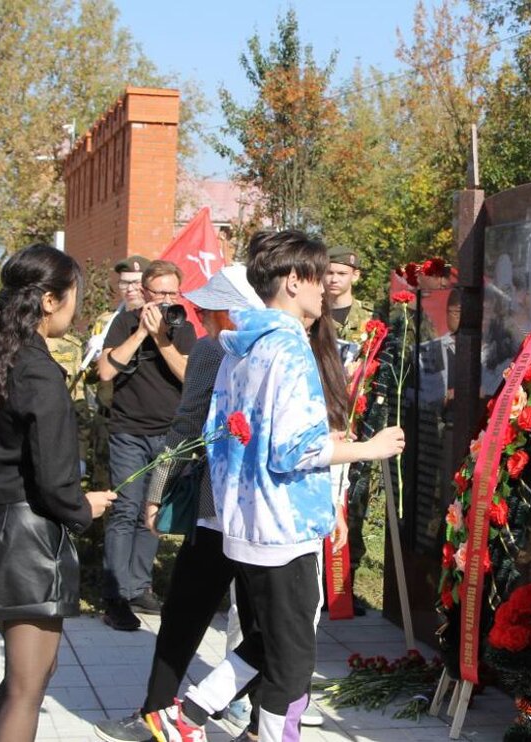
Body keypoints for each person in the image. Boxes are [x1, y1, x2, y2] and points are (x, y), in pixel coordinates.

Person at [155, 230, 405, 742]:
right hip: (282, 523)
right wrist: (369, 448)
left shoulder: (238, 346)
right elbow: (296, 448)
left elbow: (220, 438)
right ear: (294, 281)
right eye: (317, 278)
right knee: (291, 660)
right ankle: (207, 719)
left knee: (274, 640)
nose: (325, 291)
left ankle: (192, 711)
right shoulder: (288, 347)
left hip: (246, 520)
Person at [94, 264, 265, 742]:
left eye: (211, 310)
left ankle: (259, 723)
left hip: (264, 517)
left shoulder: (279, 352)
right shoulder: (210, 350)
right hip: (214, 509)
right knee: (183, 614)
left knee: (260, 621)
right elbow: (188, 425)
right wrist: (158, 493)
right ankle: (155, 714)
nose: (202, 317)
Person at [0, 244, 117, 741]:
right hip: (26, 536)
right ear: (49, 301)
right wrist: (81, 506)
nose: (76, 306)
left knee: (19, 684)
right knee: (29, 688)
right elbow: (52, 478)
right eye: (74, 295)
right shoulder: (37, 369)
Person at [97, 259, 197, 631]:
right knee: (125, 509)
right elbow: (106, 371)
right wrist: (141, 332)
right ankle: (114, 596)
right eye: (160, 293)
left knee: (151, 512)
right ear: (145, 293)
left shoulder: (182, 326)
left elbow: (189, 375)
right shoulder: (123, 323)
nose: (168, 300)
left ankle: (138, 587)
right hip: (128, 431)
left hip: (168, 433)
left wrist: (162, 339)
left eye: (173, 292)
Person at [83, 255, 150, 491]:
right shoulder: (107, 322)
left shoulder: (156, 319)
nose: (130, 289)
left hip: (142, 415)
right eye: (125, 283)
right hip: (108, 412)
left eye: (136, 282)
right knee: (104, 483)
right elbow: (91, 372)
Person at [323, 246, 374, 343]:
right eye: (329, 273)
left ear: (355, 276)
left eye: (342, 274)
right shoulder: (312, 315)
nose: (334, 280)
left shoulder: (370, 316)